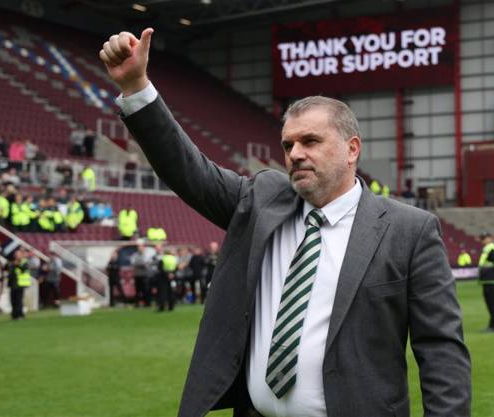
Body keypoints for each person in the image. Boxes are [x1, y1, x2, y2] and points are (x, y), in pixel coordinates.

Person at [100, 29, 470, 417]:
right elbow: (187, 169)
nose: (295, 154)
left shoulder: (409, 230)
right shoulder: (261, 201)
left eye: (310, 141)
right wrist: (136, 87)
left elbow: (442, 351)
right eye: (288, 145)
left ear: (352, 149)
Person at [478, 232, 494, 332]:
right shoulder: (487, 249)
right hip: (488, 279)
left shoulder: (490, 249)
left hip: (491, 280)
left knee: (491, 303)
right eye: (482, 238)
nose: (482, 240)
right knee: (490, 303)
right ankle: (492, 324)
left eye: (484, 238)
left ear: (489, 238)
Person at [6, 248, 31, 320]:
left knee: (18, 300)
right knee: (13, 300)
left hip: (20, 283)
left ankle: (20, 315)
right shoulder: (12, 262)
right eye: (15, 254)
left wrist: (17, 265)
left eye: (18, 254)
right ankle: (14, 315)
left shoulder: (24, 261)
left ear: (21, 255)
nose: (16, 256)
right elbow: (8, 270)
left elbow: (24, 269)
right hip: (13, 283)